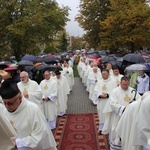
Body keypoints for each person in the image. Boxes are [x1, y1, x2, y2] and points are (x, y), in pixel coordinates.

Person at [0, 78, 57, 150]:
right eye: (4, 103)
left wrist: (18, 143)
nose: (7, 106)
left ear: (20, 98)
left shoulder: (33, 109)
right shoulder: (3, 110)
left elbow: (41, 137)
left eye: (10, 103)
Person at [102, 76, 141, 150]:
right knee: (116, 132)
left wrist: (134, 104)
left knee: (127, 132)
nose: (126, 86)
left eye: (127, 85)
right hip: (118, 117)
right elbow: (112, 103)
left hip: (129, 118)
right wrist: (123, 108)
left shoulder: (133, 91)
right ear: (120, 83)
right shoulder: (115, 91)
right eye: (124, 85)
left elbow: (139, 100)